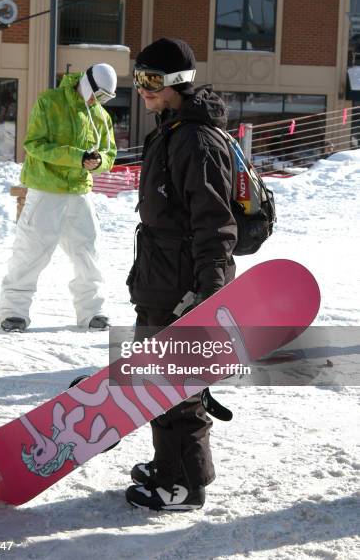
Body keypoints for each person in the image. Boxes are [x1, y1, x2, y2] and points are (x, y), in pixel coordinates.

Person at [125, 38, 238, 511]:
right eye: (139, 79)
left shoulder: (194, 139)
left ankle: (186, 485)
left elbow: (215, 223)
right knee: (158, 383)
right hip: (159, 277)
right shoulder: (172, 130)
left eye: (151, 81)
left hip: (181, 287)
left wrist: (208, 292)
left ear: (176, 83)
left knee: (177, 388)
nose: (142, 90)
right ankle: (168, 465)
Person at [0, 64, 117, 332]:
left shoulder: (100, 115)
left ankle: (93, 311)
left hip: (79, 191)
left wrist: (97, 162)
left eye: (105, 99)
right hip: (46, 189)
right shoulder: (49, 102)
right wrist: (77, 157)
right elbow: (34, 144)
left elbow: (110, 154)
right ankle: (13, 311)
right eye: (97, 96)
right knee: (31, 251)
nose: (98, 102)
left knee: (88, 251)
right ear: (87, 85)